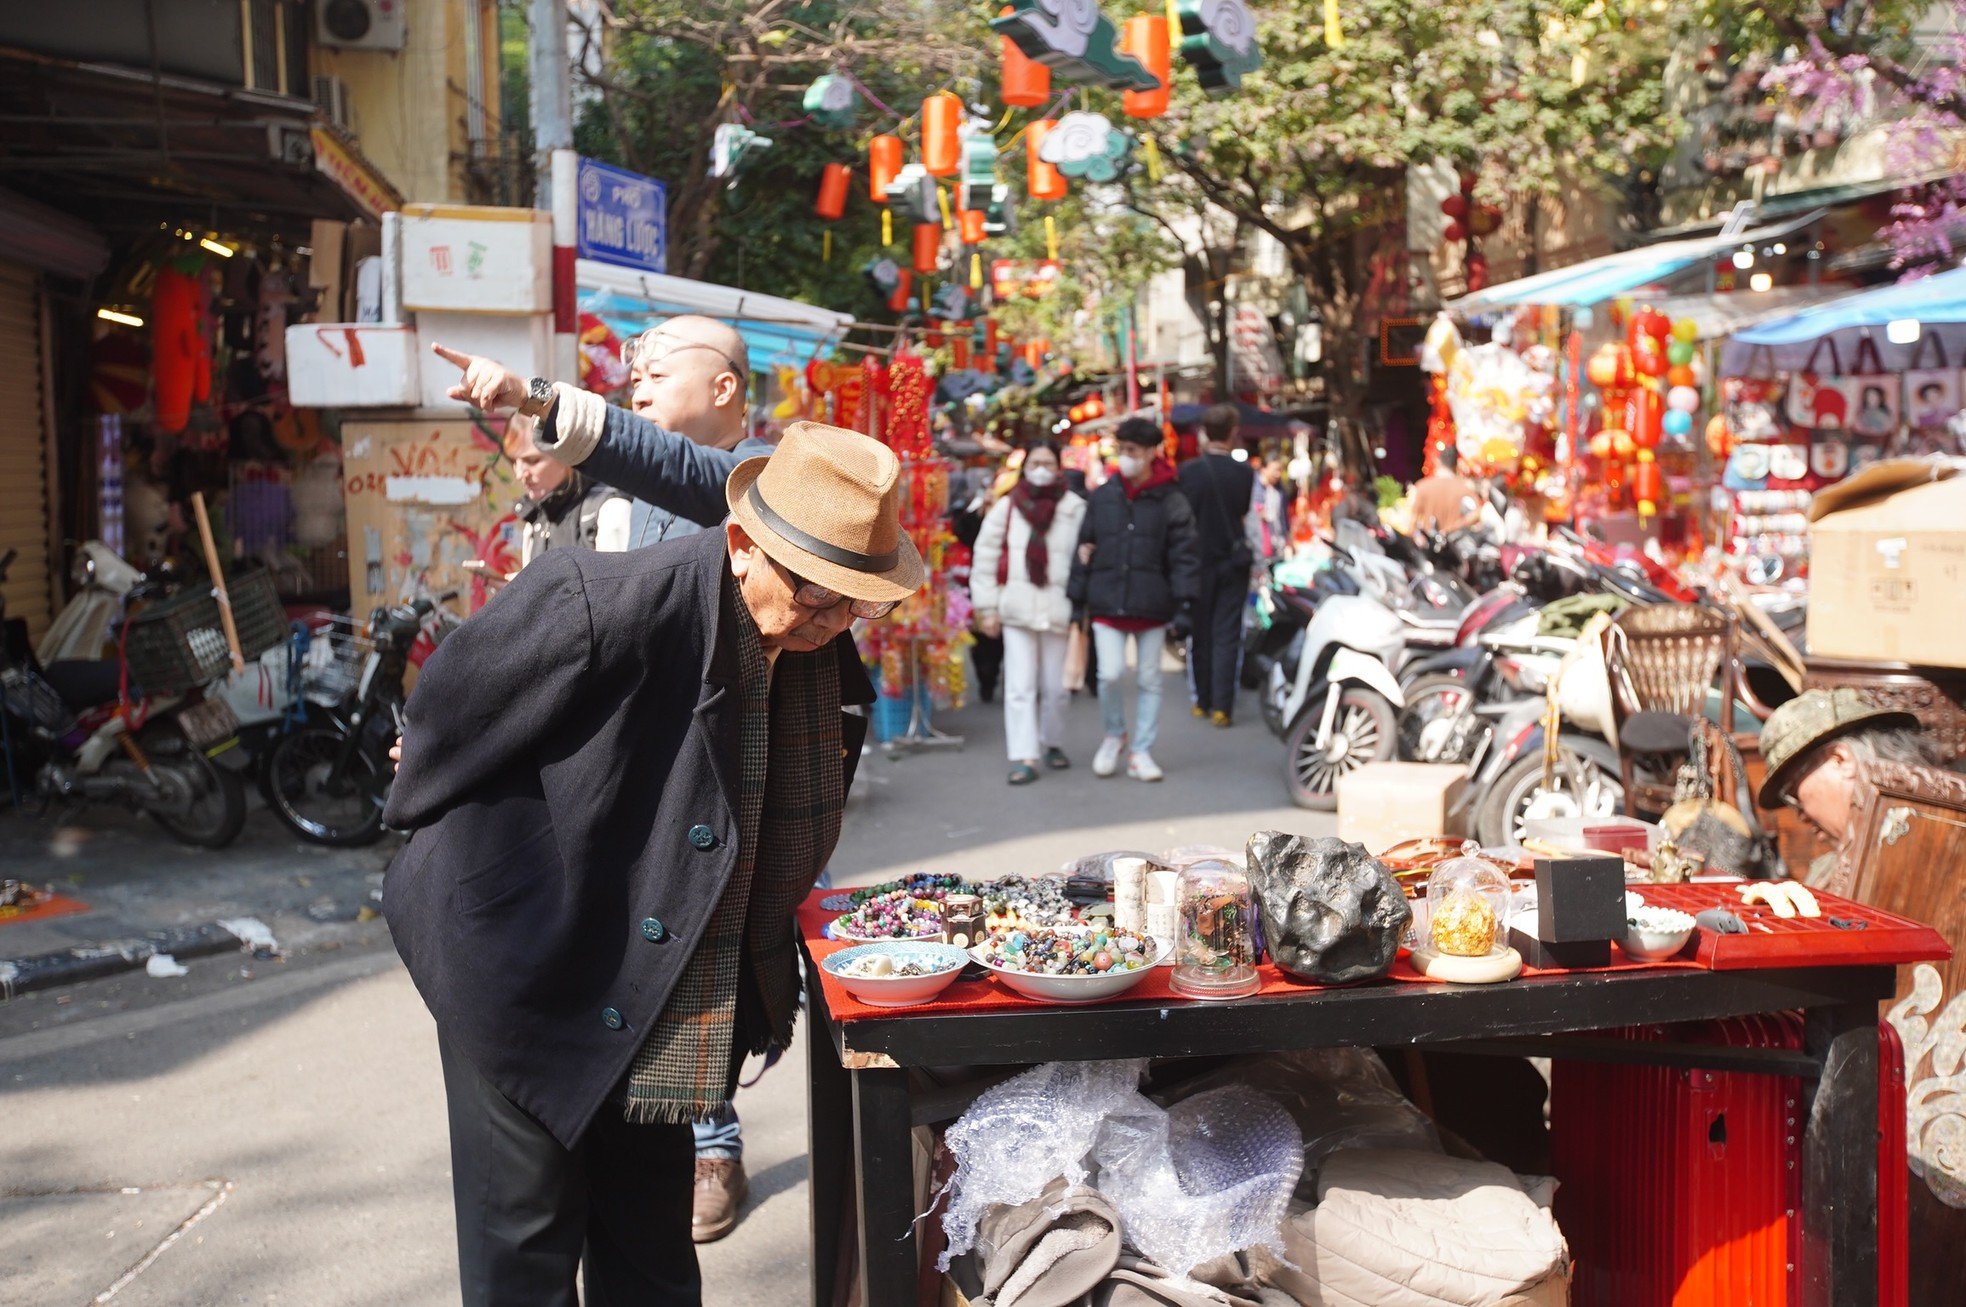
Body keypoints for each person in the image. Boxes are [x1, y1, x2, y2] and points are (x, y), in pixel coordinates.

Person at [383, 415, 920, 1307]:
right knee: (526, 1246)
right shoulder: (602, 600)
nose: (830, 621)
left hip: (657, 976)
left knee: (651, 1249)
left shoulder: (808, 638)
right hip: (522, 961)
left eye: (853, 600)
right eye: (813, 594)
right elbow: (442, 718)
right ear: (743, 542)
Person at [431, 332, 766, 1242]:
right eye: (635, 377)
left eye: (658, 376)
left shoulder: (758, 475)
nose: (639, 388)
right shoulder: (621, 498)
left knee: (696, 983)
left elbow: (669, 464)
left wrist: (532, 394)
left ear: (726, 385)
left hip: (717, 786)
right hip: (631, 777)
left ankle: (713, 1145)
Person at [1068, 417, 1200, 782]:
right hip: (1106, 600)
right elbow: (1083, 545)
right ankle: (1115, 734)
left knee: (1150, 679)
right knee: (1108, 674)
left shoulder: (1172, 498)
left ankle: (1141, 750)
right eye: (1121, 449)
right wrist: (1077, 596)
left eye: (1132, 451)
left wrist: (1185, 602)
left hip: (1153, 603)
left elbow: (1185, 554)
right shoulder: (1104, 495)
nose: (1125, 457)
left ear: (1149, 453)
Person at [1757, 687, 1956, 893]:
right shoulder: (1830, 869)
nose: (1799, 814)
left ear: (1840, 759)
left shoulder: (1945, 848)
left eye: (1792, 792)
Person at [970, 441, 1087, 785]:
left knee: (1056, 686)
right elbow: (986, 557)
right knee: (1019, 686)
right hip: (1016, 606)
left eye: (1047, 462)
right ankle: (1025, 755)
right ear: (1025, 467)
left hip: (1060, 608)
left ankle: (1052, 742)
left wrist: (1084, 606)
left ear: (1058, 466)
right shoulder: (1007, 507)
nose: (1041, 468)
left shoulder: (1075, 508)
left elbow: (1087, 558)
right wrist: (987, 607)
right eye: (1034, 461)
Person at [1177, 404, 1258, 727]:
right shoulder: (1244, 473)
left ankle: (1202, 701)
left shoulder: (1188, 472)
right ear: (1233, 432)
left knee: (1200, 632)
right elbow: (1243, 511)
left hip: (1197, 560)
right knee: (1226, 633)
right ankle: (1223, 707)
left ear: (1203, 432)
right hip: (1233, 560)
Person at [506, 412, 631, 567]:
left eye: (532, 461)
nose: (519, 474)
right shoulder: (535, 521)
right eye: (514, 461)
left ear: (567, 454)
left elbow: (621, 588)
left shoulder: (609, 510)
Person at [1408, 461, 1479, 534]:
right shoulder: (1466, 491)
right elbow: (1476, 515)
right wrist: (1453, 528)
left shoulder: (1423, 486)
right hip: (1453, 541)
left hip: (1428, 541)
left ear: (1438, 463)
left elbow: (1412, 521)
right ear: (1456, 466)